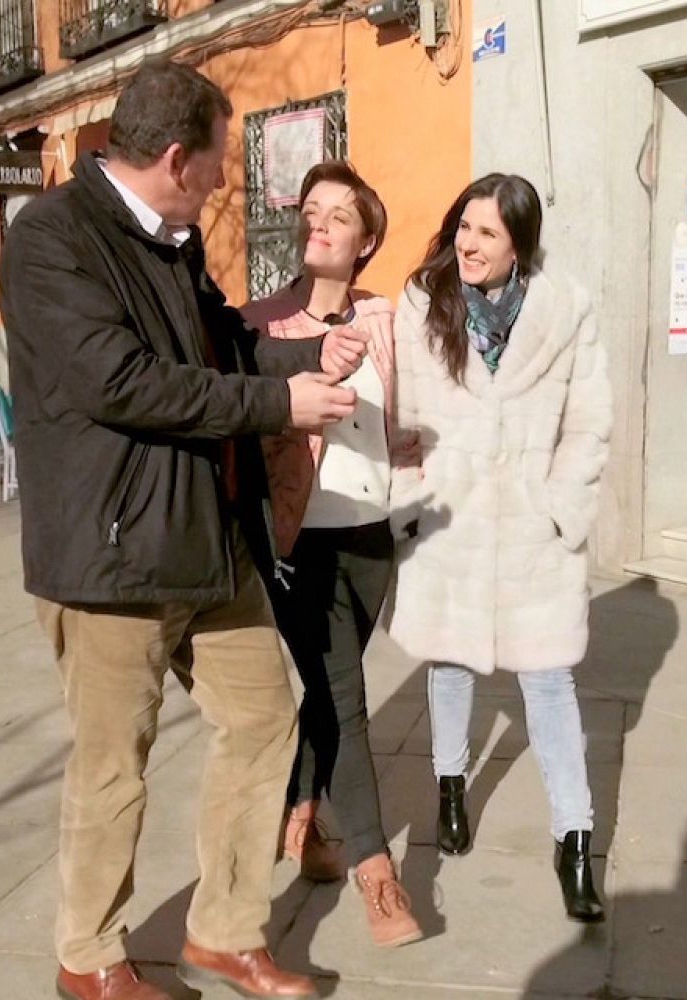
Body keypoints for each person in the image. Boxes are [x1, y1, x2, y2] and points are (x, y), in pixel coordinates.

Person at [0, 60, 370, 1000]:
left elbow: (222, 344)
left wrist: (306, 350)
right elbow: (118, 381)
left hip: (203, 539)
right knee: (115, 765)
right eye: (214, 162)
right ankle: (89, 959)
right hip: (109, 552)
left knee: (263, 718)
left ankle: (226, 932)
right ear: (175, 158)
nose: (221, 180)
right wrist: (279, 402)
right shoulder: (52, 239)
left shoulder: (173, 239)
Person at [386, 173, 613, 922]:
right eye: (463, 227)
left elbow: (588, 421)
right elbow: (404, 419)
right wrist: (413, 504)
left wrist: (560, 508)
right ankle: (450, 785)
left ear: (520, 242)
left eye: (486, 232)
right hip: (448, 519)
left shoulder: (567, 311)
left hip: (530, 526)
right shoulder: (425, 304)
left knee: (549, 684)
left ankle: (574, 840)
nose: (468, 243)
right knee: (448, 663)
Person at [240, 161, 422, 948]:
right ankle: (379, 878)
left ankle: (302, 823)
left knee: (323, 694)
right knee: (343, 696)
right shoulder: (262, 324)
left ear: (366, 240)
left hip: (371, 535)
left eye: (339, 215)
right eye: (311, 209)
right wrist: (312, 372)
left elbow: (410, 411)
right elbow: (248, 426)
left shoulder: (385, 318)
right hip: (296, 541)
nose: (319, 221)